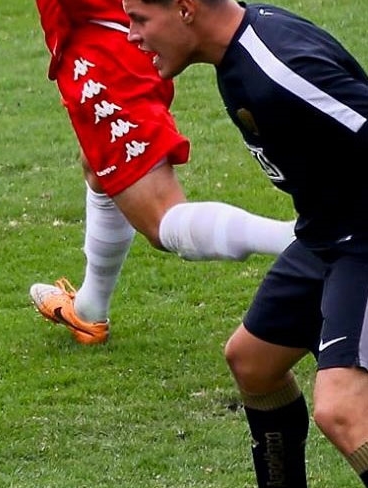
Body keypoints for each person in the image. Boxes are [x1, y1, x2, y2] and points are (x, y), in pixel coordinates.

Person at [122, 0, 368, 488]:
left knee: (344, 410)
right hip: (325, 235)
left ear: (184, 9)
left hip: (362, 241)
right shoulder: (238, 54)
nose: (131, 36)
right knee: (253, 362)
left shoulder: (279, 64)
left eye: (138, 19)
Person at [28, 0, 296, 344]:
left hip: (105, 43)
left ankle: (308, 241)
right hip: (110, 27)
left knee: (161, 219)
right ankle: (90, 309)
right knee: (99, 164)